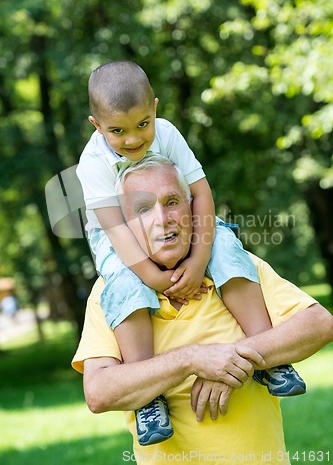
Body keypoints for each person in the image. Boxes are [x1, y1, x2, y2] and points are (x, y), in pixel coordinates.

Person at [76, 61, 304, 446]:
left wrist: (199, 259)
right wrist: (155, 278)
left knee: (228, 245)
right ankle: (148, 398)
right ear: (96, 125)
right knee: (123, 286)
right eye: (118, 131)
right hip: (118, 238)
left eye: (142, 124)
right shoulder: (92, 163)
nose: (133, 140)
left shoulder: (167, 133)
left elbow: (201, 193)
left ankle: (270, 354)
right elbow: (116, 229)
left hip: (183, 220)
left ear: (156, 109)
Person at [72, 157, 333, 464]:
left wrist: (231, 360)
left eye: (172, 202)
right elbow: (99, 392)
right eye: (143, 209)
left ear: (193, 210)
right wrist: (191, 360)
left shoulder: (235, 267)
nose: (162, 218)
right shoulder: (111, 292)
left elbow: (319, 324)